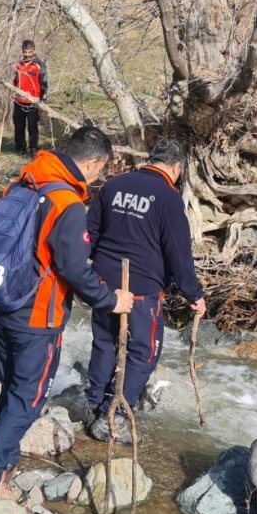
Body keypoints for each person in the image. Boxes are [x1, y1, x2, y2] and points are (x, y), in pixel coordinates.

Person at [0, 125, 134, 501]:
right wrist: (111, 300)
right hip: (38, 315)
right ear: (92, 163)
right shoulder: (67, 204)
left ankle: (4, 458)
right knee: (29, 397)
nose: (97, 177)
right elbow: (75, 270)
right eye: (100, 169)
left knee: (12, 384)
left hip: (5, 302)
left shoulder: (26, 182)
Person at [84, 139, 206, 442]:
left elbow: (91, 231)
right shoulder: (168, 197)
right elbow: (179, 253)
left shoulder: (114, 185)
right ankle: (117, 415)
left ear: (151, 160)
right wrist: (194, 294)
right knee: (143, 351)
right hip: (141, 291)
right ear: (176, 168)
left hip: (103, 285)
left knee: (103, 342)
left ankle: (94, 402)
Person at [11, 40, 49, 157]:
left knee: (33, 127)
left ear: (34, 51)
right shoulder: (18, 65)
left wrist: (41, 101)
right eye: (25, 52)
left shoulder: (39, 65)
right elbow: (14, 81)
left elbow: (44, 84)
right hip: (19, 101)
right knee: (19, 126)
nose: (27, 54)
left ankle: (33, 149)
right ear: (22, 51)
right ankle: (20, 148)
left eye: (29, 52)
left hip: (33, 102)